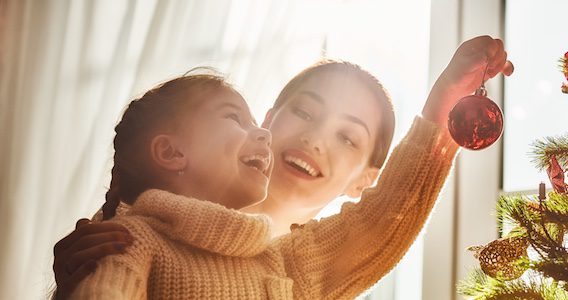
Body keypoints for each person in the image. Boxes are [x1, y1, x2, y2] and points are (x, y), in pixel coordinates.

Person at [53, 35, 513, 299]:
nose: (315, 138)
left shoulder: (296, 268)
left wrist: (445, 107)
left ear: (365, 182)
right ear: (268, 124)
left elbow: (383, 219)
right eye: (306, 113)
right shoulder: (128, 238)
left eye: (347, 137)